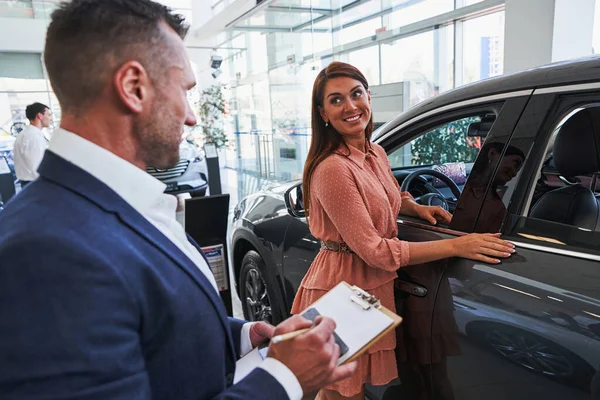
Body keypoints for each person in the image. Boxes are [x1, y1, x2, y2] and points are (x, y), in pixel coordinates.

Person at [0, 1, 356, 399]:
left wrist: (244, 335)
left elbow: (150, 323)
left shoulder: (119, 200)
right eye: (185, 91)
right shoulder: (45, 251)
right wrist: (284, 378)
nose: (191, 116)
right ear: (134, 87)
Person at [291, 62, 516, 400]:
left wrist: (413, 207)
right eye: (336, 100)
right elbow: (377, 251)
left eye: (356, 94)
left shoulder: (375, 152)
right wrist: (457, 246)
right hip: (343, 285)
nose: (351, 107)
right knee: (342, 392)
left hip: (367, 285)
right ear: (323, 112)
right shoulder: (332, 169)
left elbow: (388, 195)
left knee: (342, 387)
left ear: (369, 96)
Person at [13, 102, 52, 187]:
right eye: (48, 115)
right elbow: (37, 167)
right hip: (36, 184)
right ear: (39, 116)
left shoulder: (26, 134)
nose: (50, 119)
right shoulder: (34, 137)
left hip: (28, 182)